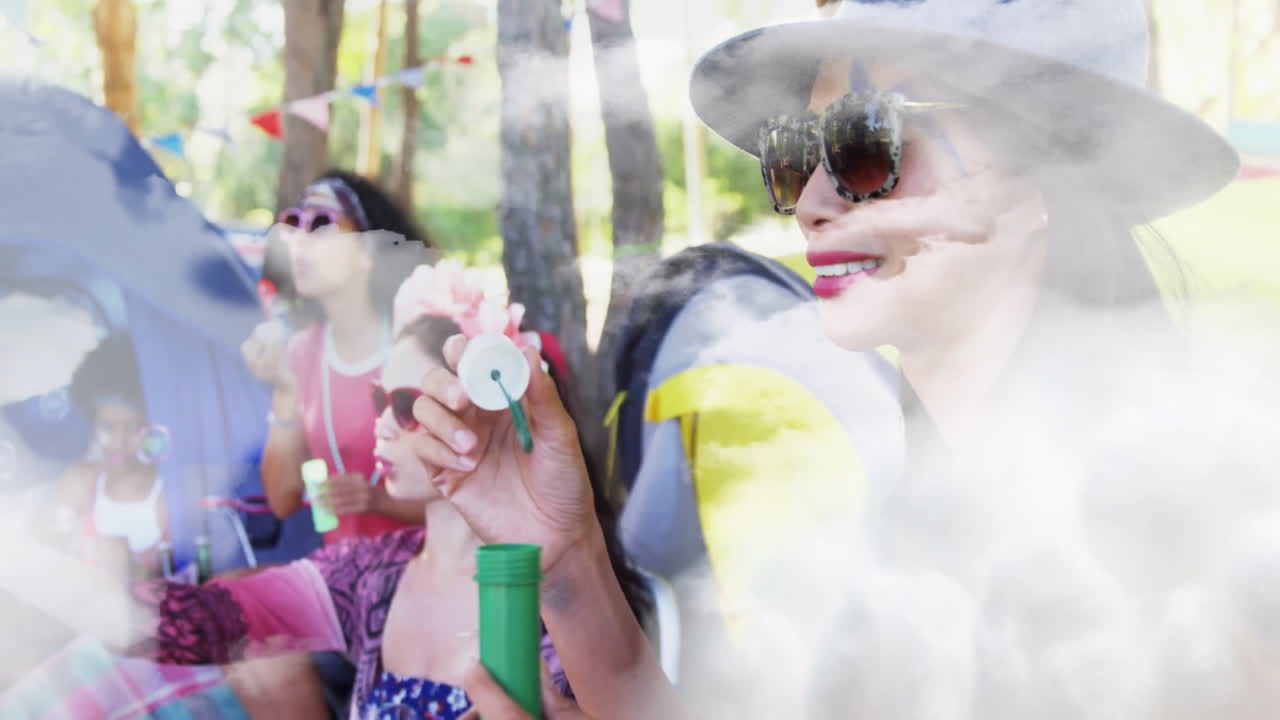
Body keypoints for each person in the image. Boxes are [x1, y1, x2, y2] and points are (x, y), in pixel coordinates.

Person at [410, 0, 1251, 716]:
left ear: (1042, 175)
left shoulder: (1131, 535)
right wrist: (568, 553)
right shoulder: (919, 496)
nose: (810, 203)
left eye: (866, 144)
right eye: (796, 152)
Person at [241, 169, 431, 544]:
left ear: (368, 251)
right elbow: (282, 500)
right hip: (342, 578)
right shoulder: (301, 351)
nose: (299, 240)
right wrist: (284, 389)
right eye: (294, 223)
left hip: (421, 577)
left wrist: (379, 499)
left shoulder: (417, 345)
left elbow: (469, 491)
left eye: (322, 223)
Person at [46, 334, 168, 579]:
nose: (118, 443)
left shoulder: (168, 492)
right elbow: (46, 560)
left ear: (152, 426)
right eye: (107, 428)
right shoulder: (78, 482)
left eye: (133, 428)